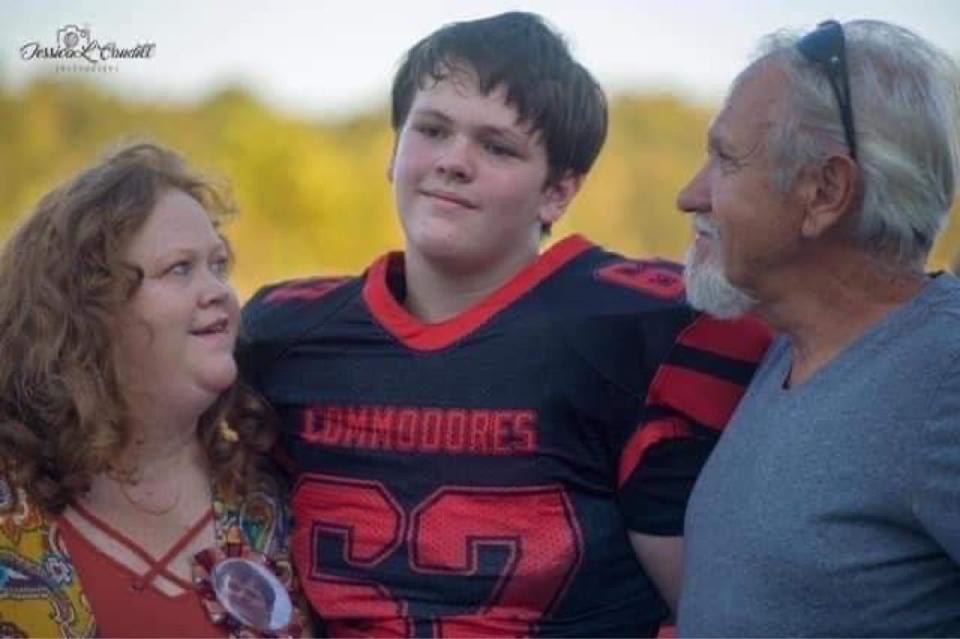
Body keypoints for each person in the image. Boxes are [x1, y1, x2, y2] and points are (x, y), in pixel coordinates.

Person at [238, 11, 770, 637]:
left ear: (558, 193)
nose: (453, 162)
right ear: (394, 151)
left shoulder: (646, 329)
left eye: (497, 146)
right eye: (432, 129)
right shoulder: (285, 333)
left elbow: (717, 612)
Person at [675, 19, 960, 636]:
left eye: (725, 159)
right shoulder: (796, 348)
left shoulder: (945, 379)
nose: (689, 196)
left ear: (824, 192)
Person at [0, 143, 309, 637]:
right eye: (180, 268)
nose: (218, 291)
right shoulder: (11, 508)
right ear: (89, 312)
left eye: (218, 265)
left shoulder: (272, 496)